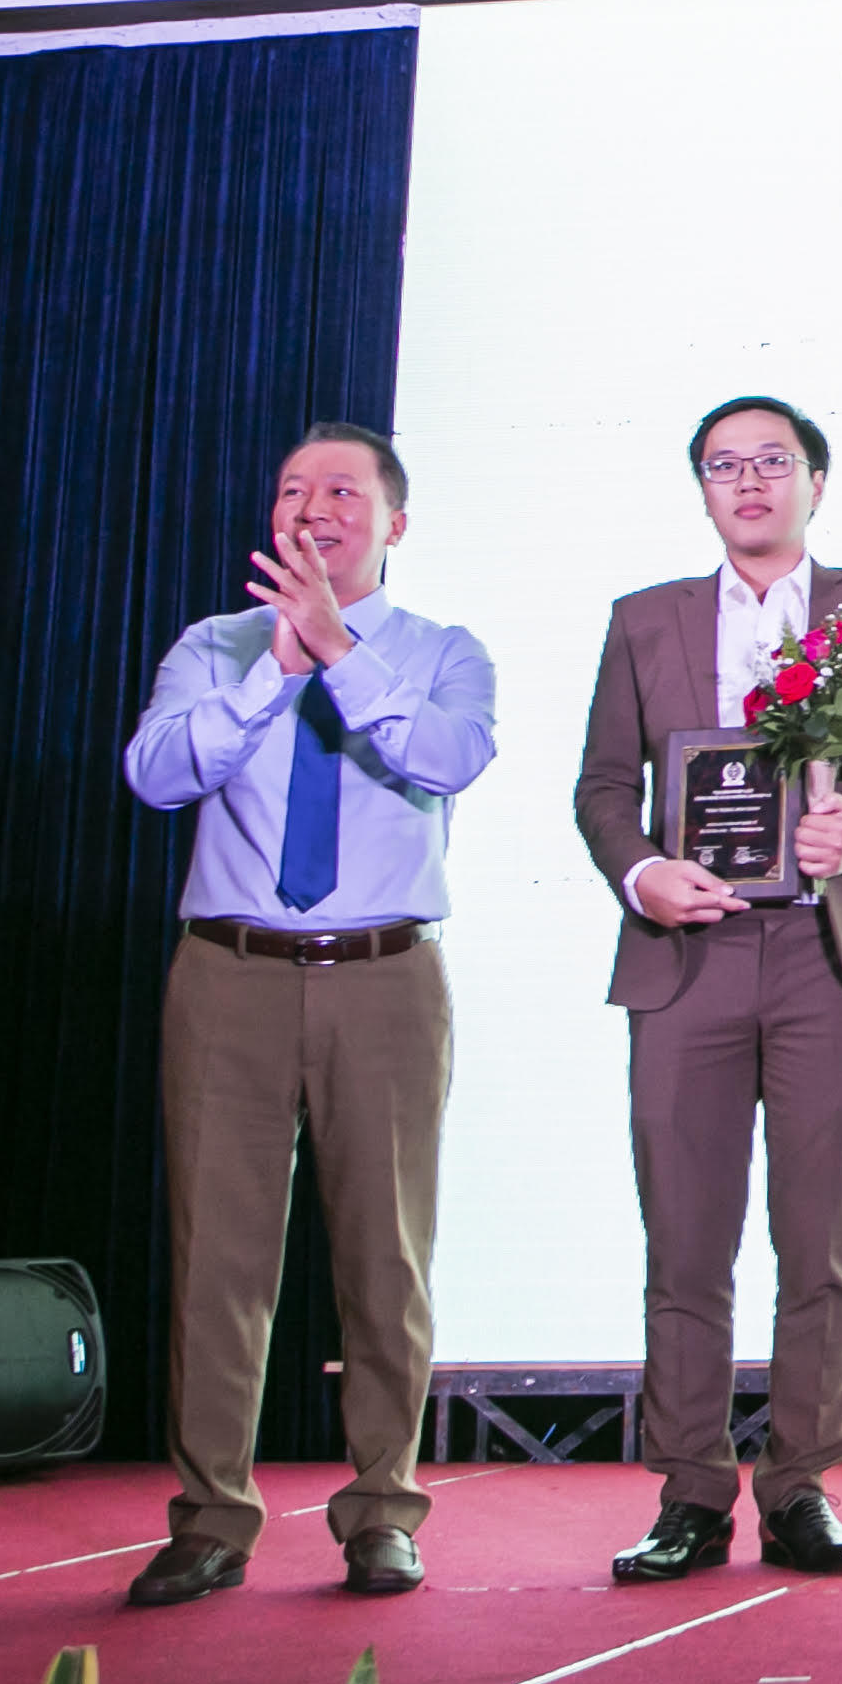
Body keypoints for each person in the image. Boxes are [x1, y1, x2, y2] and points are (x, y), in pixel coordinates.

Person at [574, 396, 842, 1584]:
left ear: (816, 482)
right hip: (685, 953)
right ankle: (691, 1492)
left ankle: (800, 1484)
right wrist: (641, 871)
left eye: (772, 461)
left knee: (818, 1236)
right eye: (723, 465)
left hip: (826, 955)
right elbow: (602, 787)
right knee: (684, 1240)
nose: (748, 481)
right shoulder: (642, 619)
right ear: (701, 489)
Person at [117, 424, 498, 1605]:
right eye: (294, 489)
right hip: (229, 973)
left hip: (386, 976)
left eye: (342, 489)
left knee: (385, 1254)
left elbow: (449, 758)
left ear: (395, 521)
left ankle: (383, 1510)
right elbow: (155, 774)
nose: (313, 507)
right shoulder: (214, 644)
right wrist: (275, 672)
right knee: (217, 1259)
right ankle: (210, 1519)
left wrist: (339, 651)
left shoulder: (442, 651)